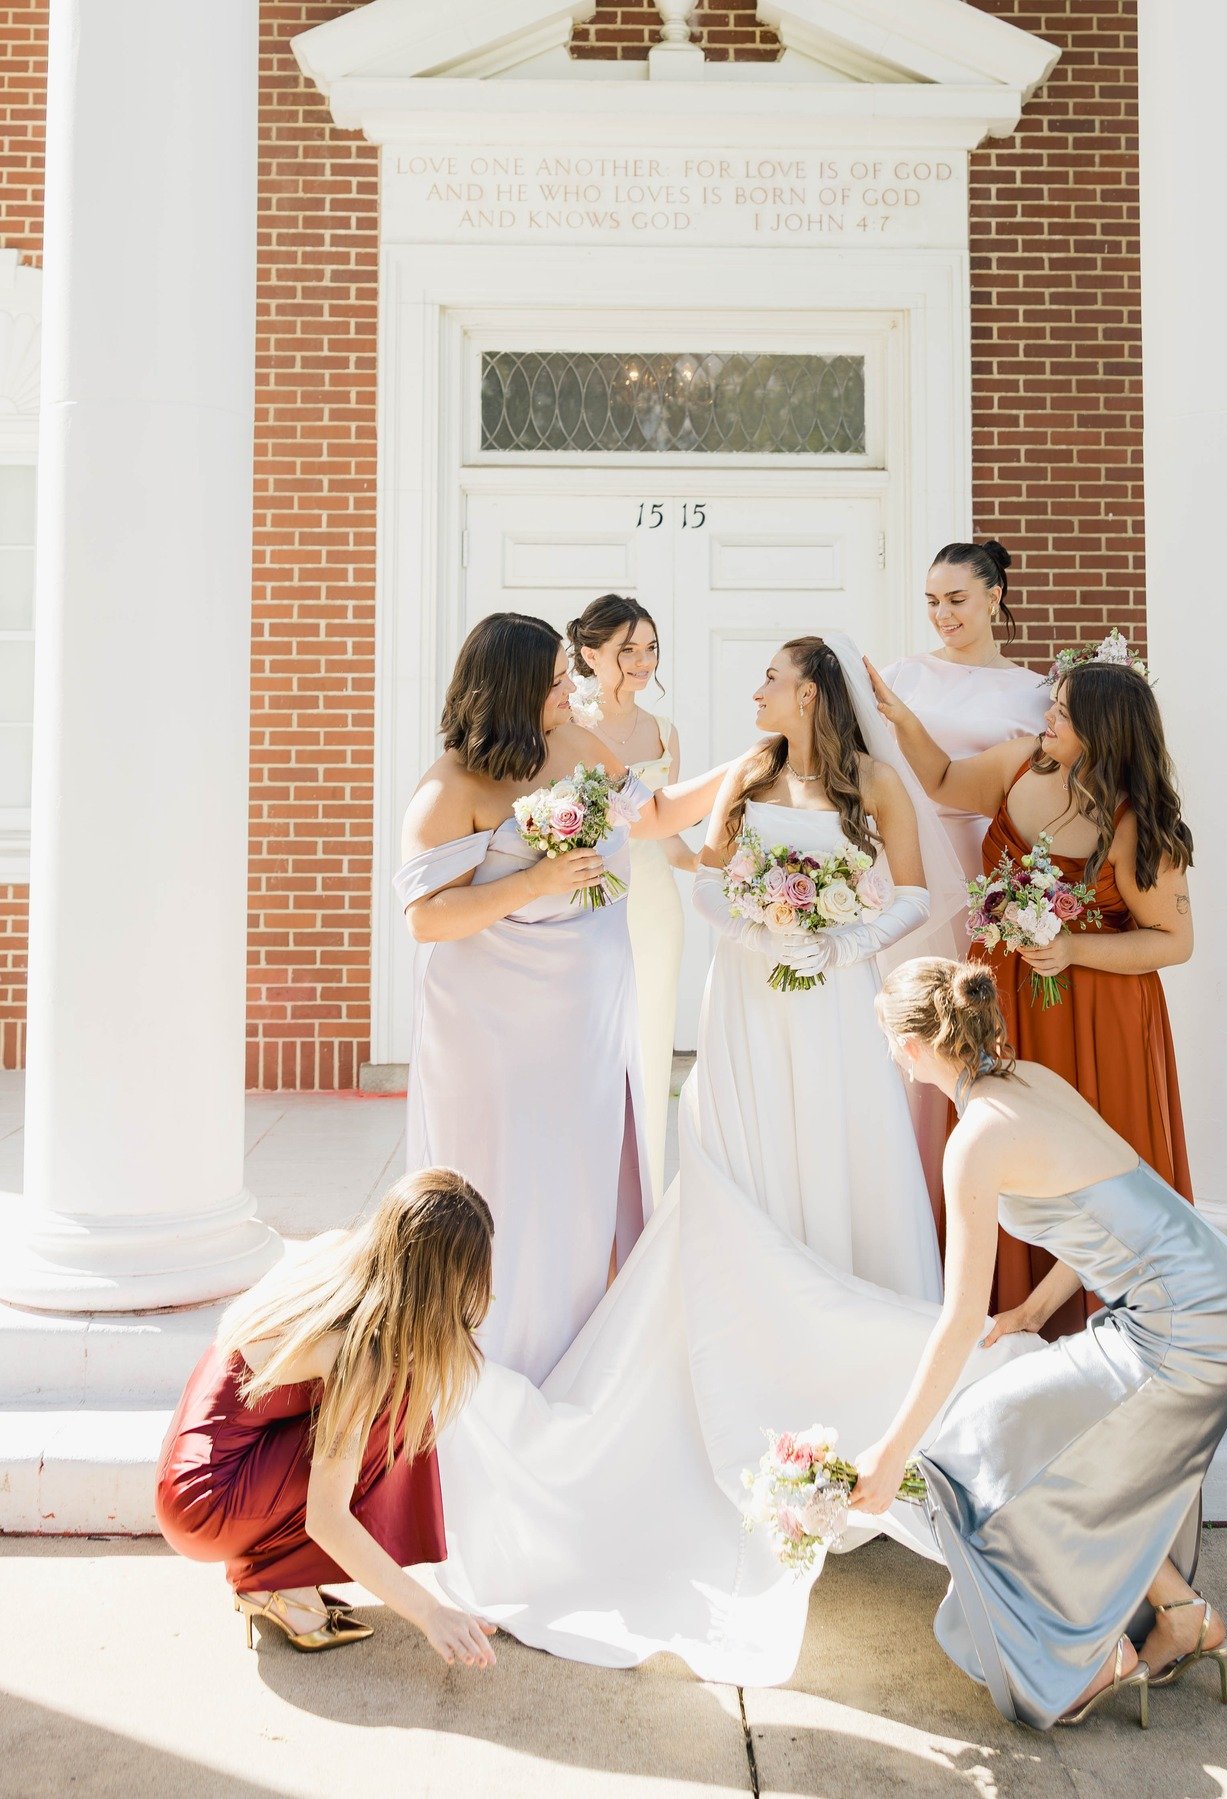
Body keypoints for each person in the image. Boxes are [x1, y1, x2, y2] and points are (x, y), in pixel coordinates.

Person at [434, 634, 1033, 1684]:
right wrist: (745, 913)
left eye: (770, 677)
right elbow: (691, 862)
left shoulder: (873, 785)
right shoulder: (747, 770)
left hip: (829, 1004)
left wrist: (839, 938)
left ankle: (865, 1393)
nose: (755, 688)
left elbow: (910, 892)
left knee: (835, 1165)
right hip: (748, 1002)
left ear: (810, 691)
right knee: (737, 1166)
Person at [852, 958, 1227, 1731]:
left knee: (980, 1442)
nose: (889, 1053)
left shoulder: (975, 1138)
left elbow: (956, 1320)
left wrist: (889, 1452)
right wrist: (1032, 1309)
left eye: (886, 1037)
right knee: (1053, 1452)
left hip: (1185, 1328)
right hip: (1221, 1295)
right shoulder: (1032, 1082)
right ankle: (1184, 1616)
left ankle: (1086, 1662)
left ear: (910, 1045)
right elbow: (1114, 1202)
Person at [395, 612, 728, 1384]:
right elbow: (426, 918)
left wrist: (744, 769)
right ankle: (493, 1353)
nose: (570, 691)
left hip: (583, 1026)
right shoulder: (451, 785)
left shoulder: (577, 745)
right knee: (504, 1185)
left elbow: (652, 817)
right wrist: (536, 880)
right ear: (510, 689)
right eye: (553, 680)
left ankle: (581, 1355)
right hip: (491, 1031)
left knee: (576, 1187)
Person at [869, 652, 1194, 1335]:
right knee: (1002, 1142)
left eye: (1062, 713)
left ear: (1102, 732)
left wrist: (1073, 948)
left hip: (1100, 1013)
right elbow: (941, 779)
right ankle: (994, 1313)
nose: (1045, 716)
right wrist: (902, 720)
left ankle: (1098, 1324)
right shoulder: (1019, 764)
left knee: (1095, 1154)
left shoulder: (1137, 823)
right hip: (1005, 1002)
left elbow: (1173, 940)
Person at [155, 1169, 499, 1667]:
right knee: (394, 1403)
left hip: (195, 1460)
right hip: (205, 1503)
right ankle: (272, 1583)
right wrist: (430, 1613)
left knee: (396, 1385)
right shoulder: (360, 1354)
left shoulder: (342, 1252)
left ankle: (275, 1573)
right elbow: (328, 1518)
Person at [879, 541, 1050, 1241]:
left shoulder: (1035, 692)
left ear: (993, 596)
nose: (942, 614)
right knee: (904, 1026)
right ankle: (900, 1210)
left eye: (956, 599)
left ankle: (968, 1208)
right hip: (903, 863)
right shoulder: (901, 676)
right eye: (931, 601)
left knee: (966, 1025)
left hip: (982, 871)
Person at [568, 594, 697, 1195]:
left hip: (653, 905)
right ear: (591, 654)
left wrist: (717, 867)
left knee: (649, 1039)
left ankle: (642, 1190)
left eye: (651, 649)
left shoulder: (664, 733)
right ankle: (581, 1188)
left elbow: (665, 835)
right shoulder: (565, 724)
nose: (644, 662)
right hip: (581, 899)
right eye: (628, 651)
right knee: (583, 1043)